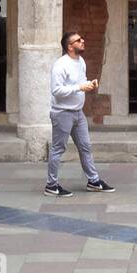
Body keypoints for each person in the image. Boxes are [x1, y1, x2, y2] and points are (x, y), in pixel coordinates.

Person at [45, 31, 115, 197]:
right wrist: (79, 88)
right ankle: (51, 185)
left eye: (82, 38)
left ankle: (93, 181)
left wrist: (90, 84)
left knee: (85, 147)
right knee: (57, 149)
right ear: (70, 46)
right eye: (78, 40)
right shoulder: (60, 65)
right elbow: (56, 91)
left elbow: (80, 82)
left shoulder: (80, 61)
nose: (83, 41)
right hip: (62, 113)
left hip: (78, 113)